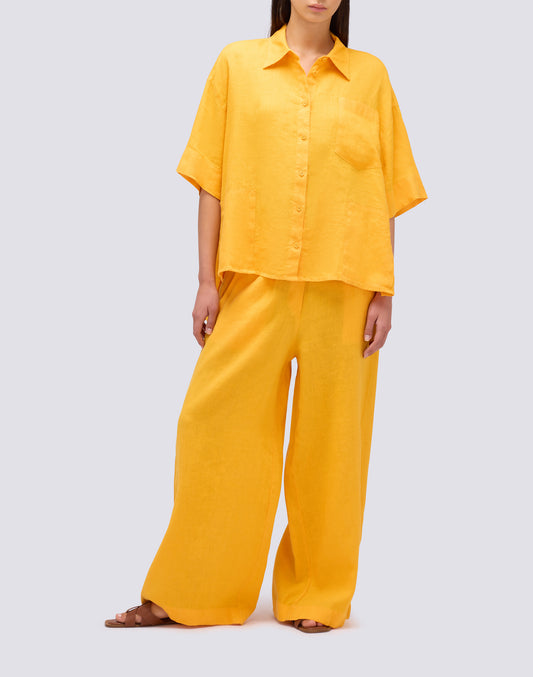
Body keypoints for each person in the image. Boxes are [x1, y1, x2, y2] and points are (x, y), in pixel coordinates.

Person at [105, 0, 427, 634]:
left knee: (333, 448)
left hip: (344, 288)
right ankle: (188, 593)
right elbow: (212, 180)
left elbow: (384, 191)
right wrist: (206, 280)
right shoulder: (237, 65)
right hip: (251, 281)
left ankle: (317, 596)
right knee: (214, 431)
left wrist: (384, 292)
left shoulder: (371, 76)